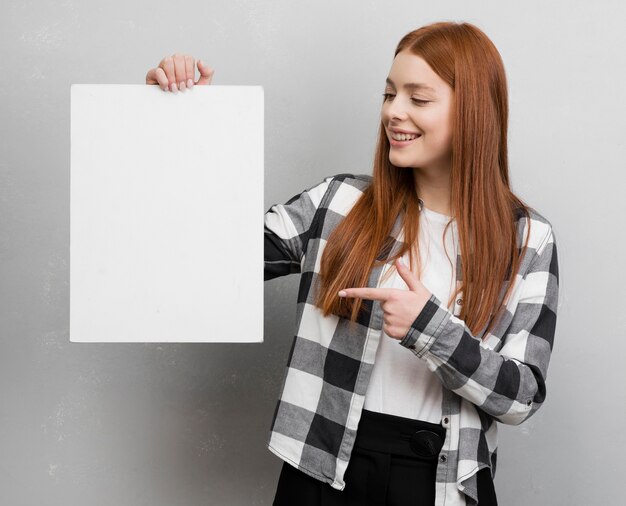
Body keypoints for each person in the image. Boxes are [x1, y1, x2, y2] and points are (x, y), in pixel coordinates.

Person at [145, 20, 559, 506]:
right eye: (389, 94)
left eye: (417, 99)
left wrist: (430, 329)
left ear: (473, 113)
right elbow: (201, 258)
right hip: (321, 465)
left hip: (442, 482)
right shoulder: (337, 203)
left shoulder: (527, 237)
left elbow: (522, 397)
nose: (393, 112)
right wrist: (192, 125)